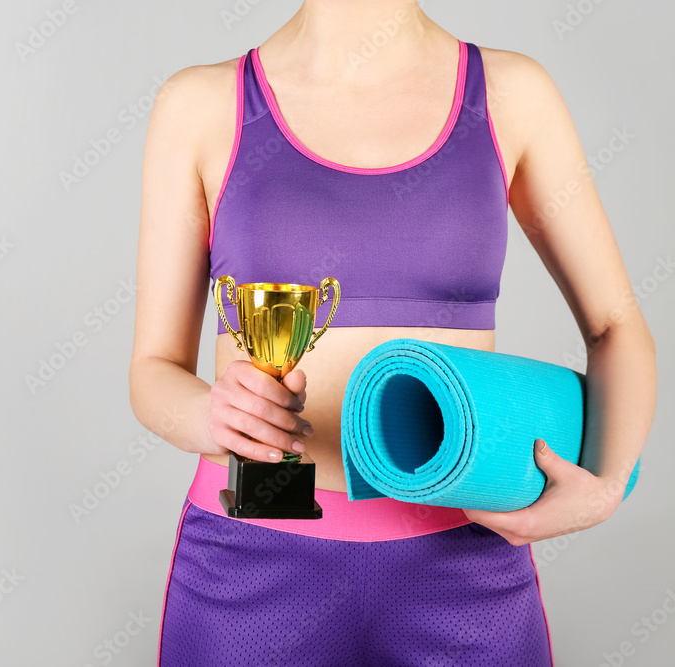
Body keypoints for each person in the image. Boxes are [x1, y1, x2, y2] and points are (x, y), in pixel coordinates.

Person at [128, 1, 657, 664]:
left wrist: (606, 484)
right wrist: (212, 416)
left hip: (463, 559)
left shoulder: (510, 95)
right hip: (253, 556)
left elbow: (615, 324)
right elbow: (153, 368)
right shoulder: (199, 106)